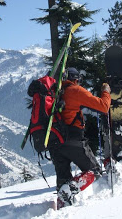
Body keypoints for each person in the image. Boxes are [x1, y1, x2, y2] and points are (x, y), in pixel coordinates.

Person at [50, 67, 111, 209]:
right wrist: (106, 91)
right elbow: (103, 107)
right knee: (93, 172)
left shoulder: (55, 93)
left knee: (63, 177)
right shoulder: (75, 90)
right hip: (73, 140)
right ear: (75, 79)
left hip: (54, 142)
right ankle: (70, 189)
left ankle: (63, 206)